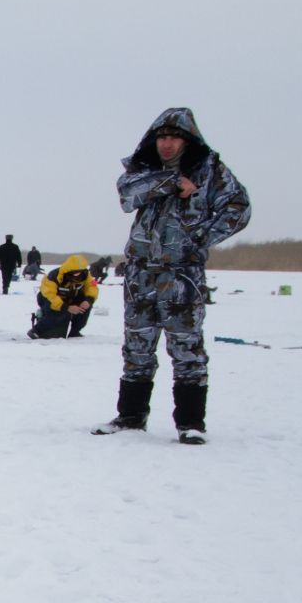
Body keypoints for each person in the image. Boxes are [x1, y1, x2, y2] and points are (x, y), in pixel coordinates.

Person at [94, 108, 251, 443]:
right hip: (140, 274)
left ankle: (190, 423)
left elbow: (239, 207)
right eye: (162, 138)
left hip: (182, 275)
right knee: (136, 348)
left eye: (174, 137)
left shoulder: (211, 171)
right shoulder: (142, 169)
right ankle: (131, 416)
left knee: (187, 348)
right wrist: (173, 182)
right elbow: (126, 195)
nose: (166, 144)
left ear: (187, 140)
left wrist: (200, 237)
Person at [29, 256, 99, 339]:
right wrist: (66, 307)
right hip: (49, 300)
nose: (79, 276)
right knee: (59, 312)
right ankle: (36, 330)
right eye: (76, 273)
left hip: (70, 298)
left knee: (84, 307)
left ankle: (75, 332)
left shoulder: (86, 276)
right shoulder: (53, 276)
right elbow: (50, 296)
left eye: (81, 273)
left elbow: (92, 287)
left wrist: (88, 300)